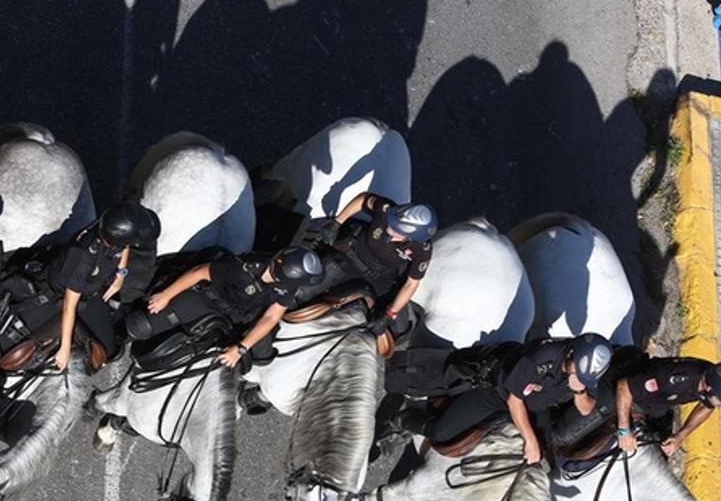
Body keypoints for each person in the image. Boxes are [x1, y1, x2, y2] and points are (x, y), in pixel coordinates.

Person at [0, 201, 160, 371]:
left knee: (109, 351)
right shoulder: (84, 258)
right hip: (56, 299)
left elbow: (123, 247)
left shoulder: (109, 228)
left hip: (89, 294)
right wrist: (64, 349)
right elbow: (69, 306)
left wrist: (120, 274)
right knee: (0, 352)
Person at [393, 333, 614, 465]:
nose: (577, 378)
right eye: (578, 372)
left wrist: (579, 392)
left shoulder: (581, 376)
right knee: (441, 432)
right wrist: (530, 440)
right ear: (571, 353)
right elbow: (514, 400)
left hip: (537, 405)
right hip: (498, 394)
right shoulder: (541, 358)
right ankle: (403, 420)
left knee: (547, 460)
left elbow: (586, 410)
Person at [126, 247, 324, 368]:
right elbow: (200, 272)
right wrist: (166, 295)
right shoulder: (243, 269)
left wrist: (241, 349)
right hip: (204, 299)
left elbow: (271, 317)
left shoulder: (287, 287)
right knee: (140, 326)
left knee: (251, 361)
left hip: (234, 318)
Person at [309, 192, 435, 335]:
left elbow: (411, 284)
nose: (390, 227)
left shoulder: (422, 250)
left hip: (379, 280)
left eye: (398, 230)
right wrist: (337, 222)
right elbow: (364, 199)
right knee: (304, 287)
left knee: (398, 330)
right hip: (348, 259)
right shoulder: (387, 211)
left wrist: (389, 315)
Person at [612, 355, 721, 456]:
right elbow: (624, 387)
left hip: (654, 406)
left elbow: (706, 406)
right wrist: (624, 430)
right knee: (602, 432)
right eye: (719, 401)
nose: (717, 405)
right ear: (708, 388)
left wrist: (681, 435)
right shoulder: (675, 379)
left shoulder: (709, 377)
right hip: (628, 396)